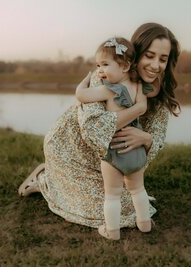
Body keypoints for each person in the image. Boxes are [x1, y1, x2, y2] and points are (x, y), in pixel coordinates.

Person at [18, 22, 181, 235]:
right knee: (119, 210)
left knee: (131, 205)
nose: (155, 65)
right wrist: (138, 109)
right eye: (149, 56)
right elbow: (92, 131)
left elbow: (156, 138)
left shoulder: (157, 91)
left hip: (111, 158)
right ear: (134, 55)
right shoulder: (106, 74)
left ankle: (59, 181)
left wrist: (146, 139)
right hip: (71, 151)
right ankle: (45, 178)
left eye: (163, 59)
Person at [75, 36, 154, 240]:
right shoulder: (139, 87)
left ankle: (112, 231)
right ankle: (144, 224)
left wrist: (82, 84)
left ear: (126, 65)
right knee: (138, 189)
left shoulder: (109, 89)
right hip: (135, 149)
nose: (100, 71)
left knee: (112, 195)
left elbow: (82, 96)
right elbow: (142, 108)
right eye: (97, 65)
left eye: (105, 65)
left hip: (114, 150)